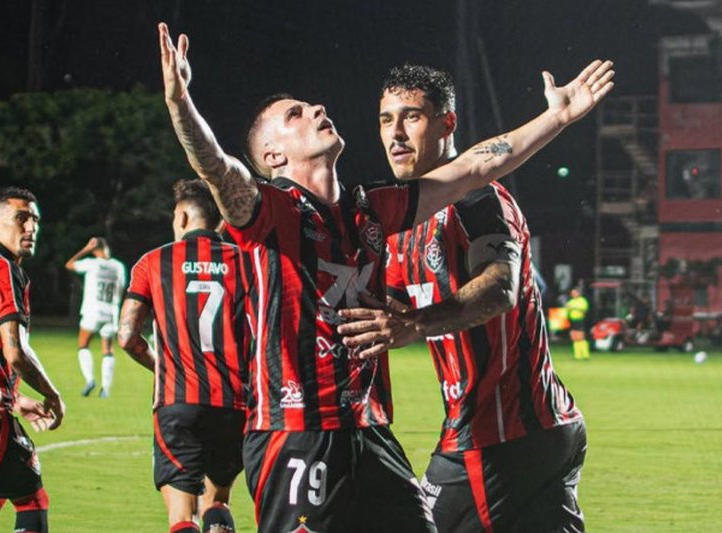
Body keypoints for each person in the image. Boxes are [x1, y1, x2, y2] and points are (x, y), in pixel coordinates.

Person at [158, 21, 612, 532]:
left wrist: (557, 117)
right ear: (273, 157)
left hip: (369, 430)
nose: (316, 109)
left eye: (312, 105)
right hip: (298, 432)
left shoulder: (370, 211)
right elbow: (218, 170)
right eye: (295, 114)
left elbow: (473, 169)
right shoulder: (270, 212)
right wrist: (181, 104)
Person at [338, 64, 598, 531]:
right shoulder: (400, 226)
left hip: (496, 433)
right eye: (385, 120)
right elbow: (379, 307)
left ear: (447, 124)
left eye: (412, 117)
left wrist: (414, 324)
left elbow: (500, 287)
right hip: (542, 428)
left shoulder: (478, 201)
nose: (396, 133)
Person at [117, 180, 248, 533]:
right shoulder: (247, 263)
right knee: (217, 501)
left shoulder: (153, 262)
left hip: (178, 402)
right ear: (223, 221)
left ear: (183, 216)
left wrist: (159, 365)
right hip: (235, 404)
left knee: (182, 517)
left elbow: (127, 337)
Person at [0, 187, 65, 533]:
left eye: (35, 220)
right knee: (31, 498)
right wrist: (52, 394)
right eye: (21, 218)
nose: (31, 227)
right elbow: (16, 353)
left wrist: (15, 396)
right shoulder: (3, 270)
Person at [65, 236, 127, 398]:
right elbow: (120, 289)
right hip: (111, 312)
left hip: (93, 310)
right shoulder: (118, 266)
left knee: (83, 345)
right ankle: (105, 388)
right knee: (108, 350)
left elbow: (69, 264)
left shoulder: (92, 264)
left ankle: (90, 379)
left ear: (94, 250)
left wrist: (85, 249)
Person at [566, 287, 590, 360]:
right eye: (572, 293)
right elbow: (567, 310)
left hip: (579, 320)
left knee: (581, 337)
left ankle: (585, 355)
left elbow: (584, 309)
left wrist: (574, 308)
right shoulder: (570, 301)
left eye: (575, 293)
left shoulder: (582, 300)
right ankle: (577, 355)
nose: (573, 294)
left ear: (578, 293)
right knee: (574, 337)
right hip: (572, 320)